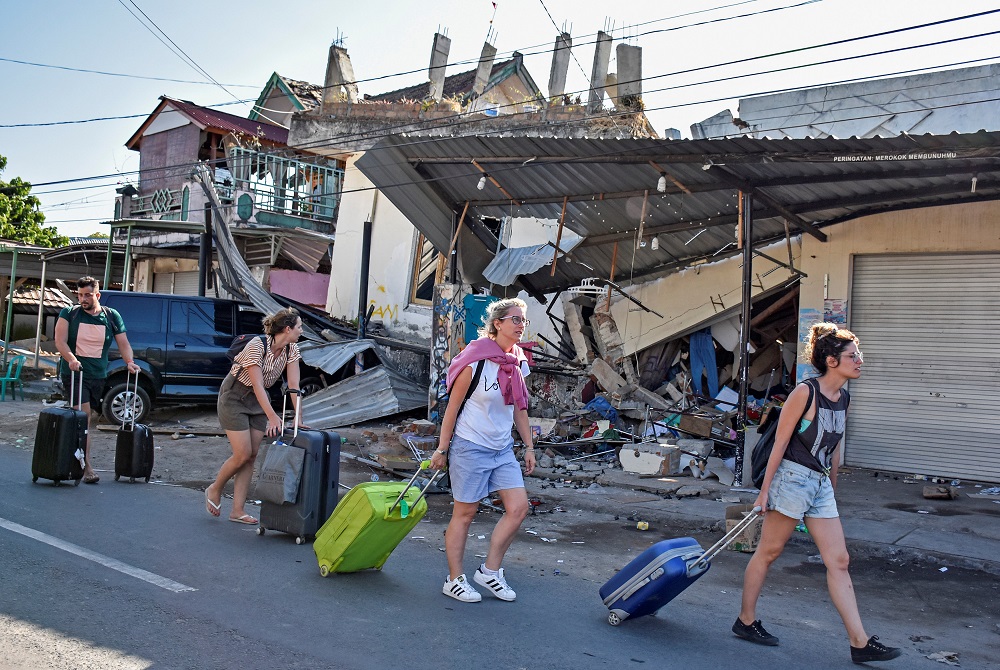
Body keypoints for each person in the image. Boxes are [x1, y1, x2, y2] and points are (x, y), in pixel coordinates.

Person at [733, 323, 901, 664]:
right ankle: (745, 620)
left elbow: (834, 449)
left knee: (839, 561)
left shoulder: (845, 398)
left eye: (859, 355)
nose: (859, 361)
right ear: (831, 360)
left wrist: (832, 490)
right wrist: (763, 493)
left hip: (820, 484)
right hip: (792, 480)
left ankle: (859, 642)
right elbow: (779, 443)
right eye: (852, 356)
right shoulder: (805, 393)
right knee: (768, 552)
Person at [431, 297, 537, 603]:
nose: (520, 326)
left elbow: (519, 408)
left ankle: (490, 572)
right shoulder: (475, 361)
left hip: (502, 448)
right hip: (470, 446)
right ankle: (454, 579)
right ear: (497, 324)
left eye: (523, 320)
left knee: (518, 509)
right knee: (465, 514)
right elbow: (451, 409)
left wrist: (528, 445)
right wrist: (442, 448)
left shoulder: (517, 361)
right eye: (515, 320)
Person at [205, 308, 305, 524]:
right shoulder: (257, 345)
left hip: (258, 400)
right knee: (242, 453)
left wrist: (299, 418)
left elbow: (294, 385)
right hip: (235, 396)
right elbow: (257, 384)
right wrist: (272, 416)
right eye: (299, 327)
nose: (301, 331)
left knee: (252, 456)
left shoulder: (291, 349)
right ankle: (214, 488)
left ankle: (237, 510)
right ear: (287, 329)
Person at [54, 276, 141, 484]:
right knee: (83, 417)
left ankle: (72, 457)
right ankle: (86, 466)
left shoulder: (111, 316)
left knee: (87, 418)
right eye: (80, 295)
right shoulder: (69, 314)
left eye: (88, 295)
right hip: (75, 373)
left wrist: (129, 361)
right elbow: (60, 341)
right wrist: (72, 359)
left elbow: (124, 343)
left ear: (97, 295)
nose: (83, 299)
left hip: (97, 375)